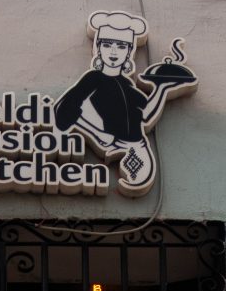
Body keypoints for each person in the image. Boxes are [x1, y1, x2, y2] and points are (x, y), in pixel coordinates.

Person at [53, 11, 197, 194]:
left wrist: (162, 89)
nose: (113, 52)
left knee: (143, 186)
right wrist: (97, 134)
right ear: (98, 48)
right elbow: (62, 109)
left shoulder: (127, 83)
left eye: (121, 46)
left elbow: (145, 117)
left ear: (129, 51)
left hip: (139, 148)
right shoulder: (93, 78)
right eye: (107, 45)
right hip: (119, 147)